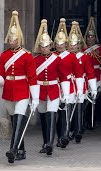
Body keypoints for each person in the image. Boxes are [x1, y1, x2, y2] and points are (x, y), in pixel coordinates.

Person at [0, 10, 39, 163]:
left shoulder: (26, 55)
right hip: (9, 91)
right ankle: (21, 150)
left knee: (19, 117)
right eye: (10, 38)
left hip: (23, 90)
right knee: (14, 121)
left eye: (14, 38)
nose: (12, 41)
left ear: (19, 39)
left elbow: (32, 77)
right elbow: (1, 73)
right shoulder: (4, 55)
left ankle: (12, 149)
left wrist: (35, 97)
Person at [53, 18, 83, 148]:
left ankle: (63, 137)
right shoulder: (52, 56)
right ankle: (58, 136)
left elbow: (78, 74)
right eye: (57, 43)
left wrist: (80, 90)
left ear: (65, 44)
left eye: (61, 43)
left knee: (65, 113)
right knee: (55, 115)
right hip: (54, 87)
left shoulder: (71, 57)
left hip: (69, 87)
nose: (59, 45)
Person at [33, 19, 61, 155]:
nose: (44, 48)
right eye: (42, 46)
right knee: (43, 117)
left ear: (51, 45)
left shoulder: (56, 58)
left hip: (53, 90)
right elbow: (32, 78)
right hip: (40, 91)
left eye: (46, 46)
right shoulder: (35, 60)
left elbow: (63, 76)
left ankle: (50, 143)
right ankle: (45, 141)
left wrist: (66, 93)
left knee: (52, 115)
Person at [68, 21, 96, 143]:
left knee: (79, 107)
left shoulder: (84, 57)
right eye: (71, 44)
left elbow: (90, 72)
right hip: (68, 84)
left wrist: (93, 88)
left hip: (80, 84)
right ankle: (69, 130)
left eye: (75, 44)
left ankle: (78, 130)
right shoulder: (65, 56)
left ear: (79, 45)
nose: (73, 47)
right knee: (69, 108)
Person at [83, 17, 101, 129]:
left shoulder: (100, 49)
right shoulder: (82, 49)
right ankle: (83, 121)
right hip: (84, 77)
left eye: (92, 36)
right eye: (89, 37)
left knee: (94, 101)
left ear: (95, 37)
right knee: (84, 101)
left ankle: (92, 121)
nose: (90, 39)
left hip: (97, 76)